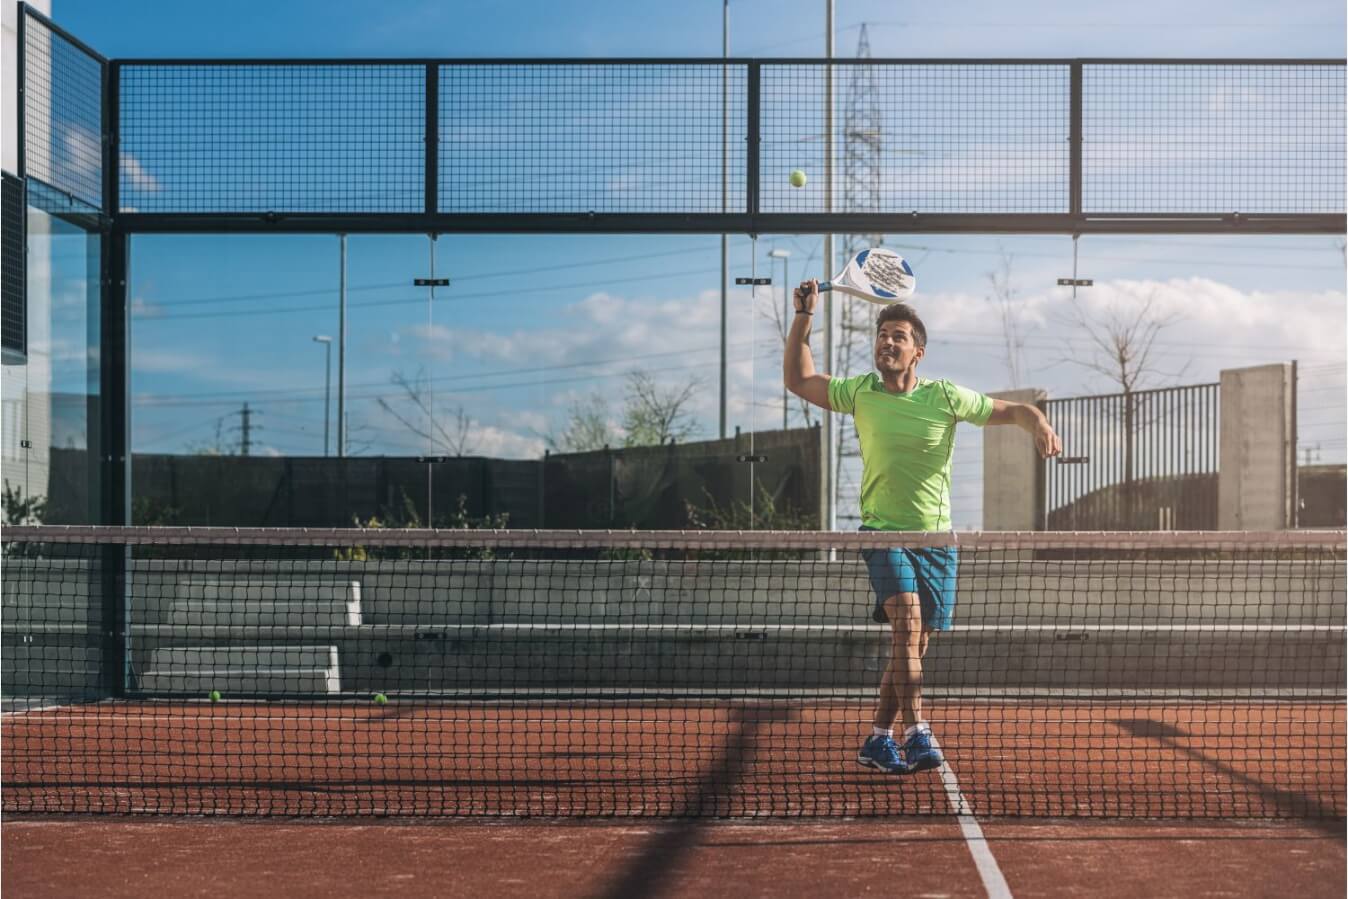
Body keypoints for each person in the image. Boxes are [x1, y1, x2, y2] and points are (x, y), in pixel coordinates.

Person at [783, 279, 1061, 774]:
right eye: (882, 334)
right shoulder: (859, 392)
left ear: (918, 353)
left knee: (913, 643)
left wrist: (1037, 422)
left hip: (937, 540)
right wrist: (804, 316)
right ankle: (917, 732)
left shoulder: (945, 397)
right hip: (882, 534)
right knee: (907, 625)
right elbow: (799, 380)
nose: (887, 342)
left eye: (899, 336)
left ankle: (877, 738)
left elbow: (1014, 411)